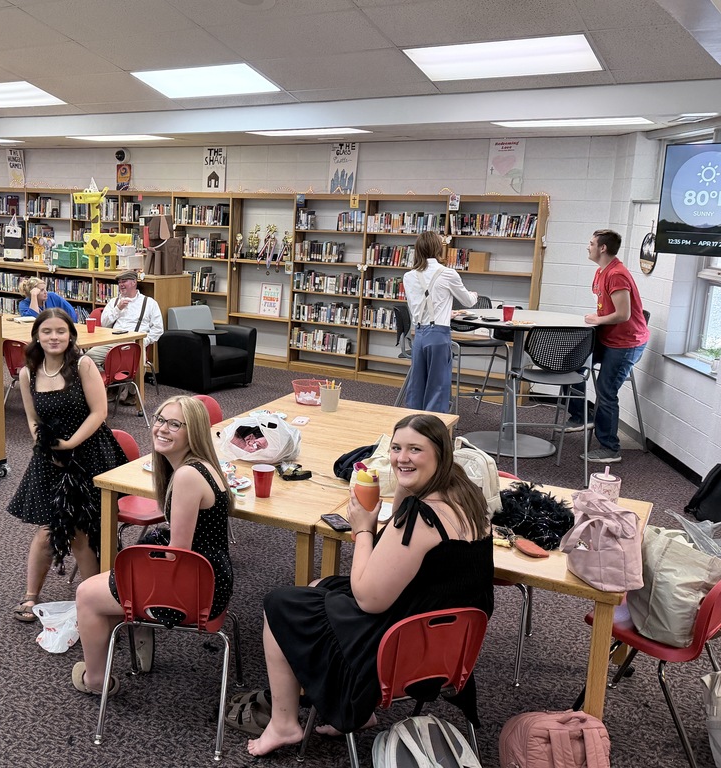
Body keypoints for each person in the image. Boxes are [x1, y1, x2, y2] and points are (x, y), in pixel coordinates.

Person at [233, 413, 493, 756]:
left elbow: (369, 599)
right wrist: (405, 478)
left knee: (279, 603)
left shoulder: (424, 518)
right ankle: (356, 713)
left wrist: (363, 529)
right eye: (397, 448)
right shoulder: (464, 495)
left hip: (396, 646)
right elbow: (401, 533)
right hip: (444, 643)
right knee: (320, 584)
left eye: (415, 449)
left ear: (440, 455)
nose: (402, 457)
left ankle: (284, 723)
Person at [71, 395, 234, 696]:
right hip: (211, 575)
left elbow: (177, 555)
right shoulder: (202, 466)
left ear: (193, 432)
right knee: (113, 581)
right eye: (160, 419)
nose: (161, 428)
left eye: (175, 424)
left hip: (195, 588)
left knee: (86, 595)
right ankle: (139, 634)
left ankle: (95, 681)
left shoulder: (187, 476)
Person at [6, 308, 126, 622]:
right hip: (49, 457)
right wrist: (44, 443)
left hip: (88, 454)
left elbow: (100, 413)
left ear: (70, 335)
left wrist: (70, 443)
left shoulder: (83, 365)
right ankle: (31, 597)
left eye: (60, 331)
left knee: (81, 531)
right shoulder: (27, 373)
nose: (54, 337)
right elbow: (33, 419)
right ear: (36, 336)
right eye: (47, 332)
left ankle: (94, 600)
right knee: (48, 528)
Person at [566, 229, 649, 464]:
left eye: (591, 243)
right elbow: (606, 307)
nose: (588, 246)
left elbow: (623, 314)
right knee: (571, 363)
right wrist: (599, 317)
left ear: (603, 248)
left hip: (627, 342)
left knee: (605, 389)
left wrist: (597, 319)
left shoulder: (617, 274)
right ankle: (580, 416)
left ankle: (610, 448)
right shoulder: (600, 272)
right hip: (608, 336)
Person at [402, 230, 477, 413]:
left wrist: (444, 312)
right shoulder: (448, 273)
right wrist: (475, 295)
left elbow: (417, 306)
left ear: (417, 249)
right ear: (438, 248)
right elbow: (467, 301)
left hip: (419, 334)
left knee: (417, 386)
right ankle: (433, 431)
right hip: (438, 336)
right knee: (438, 387)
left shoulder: (409, 276)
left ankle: (413, 427)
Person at [85, 270, 163, 369]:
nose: (121, 285)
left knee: (136, 368)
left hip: (135, 344)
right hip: (112, 341)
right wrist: (118, 309)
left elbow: (158, 329)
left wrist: (144, 341)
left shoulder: (149, 303)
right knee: (86, 359)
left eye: (124, 281)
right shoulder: (114, 302)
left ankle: (128, 383)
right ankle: (105, 381)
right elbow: (104, 324)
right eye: (119, 282)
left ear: (134, 282)